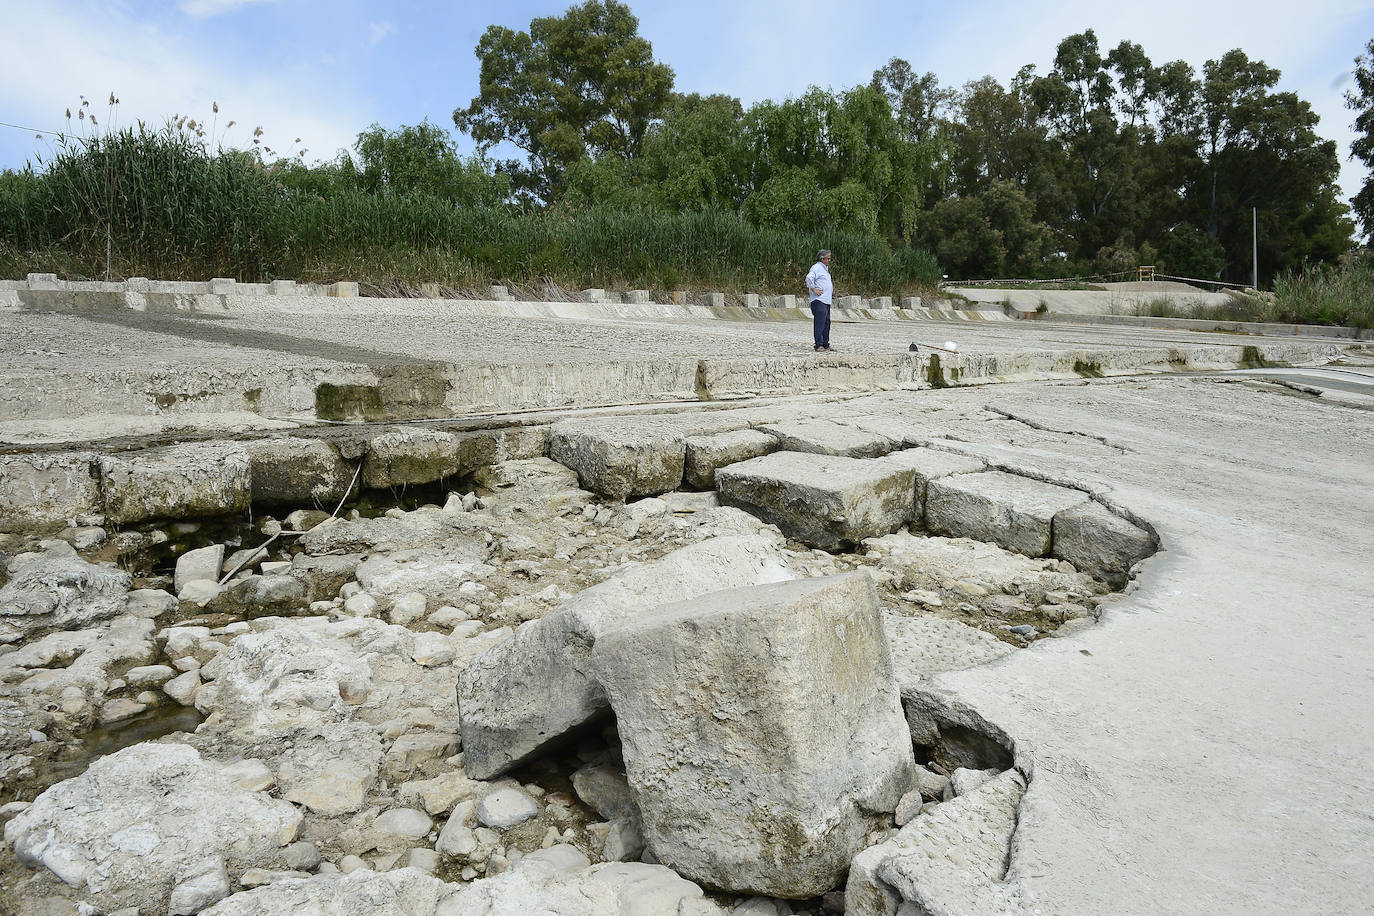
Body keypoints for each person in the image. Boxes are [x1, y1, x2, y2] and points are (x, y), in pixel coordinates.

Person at [805, 249, 834, 352]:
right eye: (828, 258)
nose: (829, 260)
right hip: (819, 300)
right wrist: (813, 289)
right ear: (822, 259)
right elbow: (809, 278)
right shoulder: (816, 267)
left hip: (826, 300)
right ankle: (818, 345)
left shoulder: (825, 269)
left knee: (826, 322)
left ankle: (826, 344)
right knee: (820, 322)